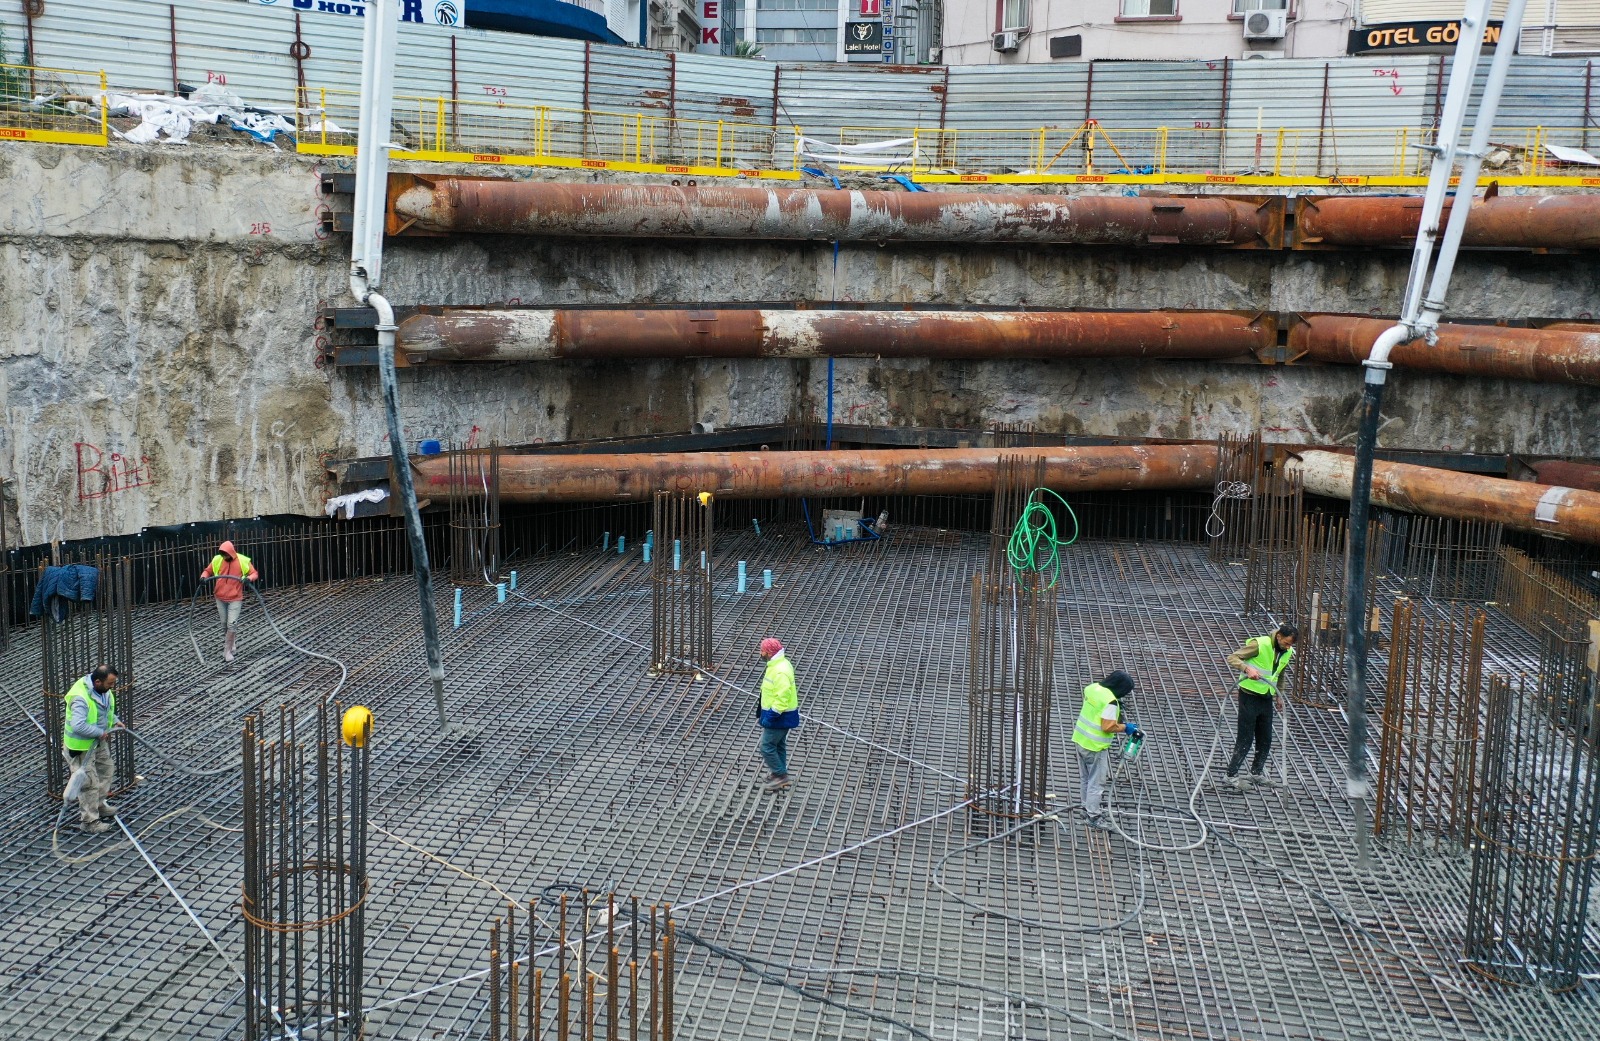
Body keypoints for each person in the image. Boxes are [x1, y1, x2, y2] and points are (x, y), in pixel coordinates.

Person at [1222, 624, 1298, 791]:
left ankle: (1256, 772)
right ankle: (1230, 776)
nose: (1288, 647)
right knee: (1245, 739)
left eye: (1291, 645)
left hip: (1266, 697)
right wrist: (1247, 668)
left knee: (1265, 738)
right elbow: (1233, 658)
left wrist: (1280, 695)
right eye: (1286, 643)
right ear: (1278, 637)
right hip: (1249, 696)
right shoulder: (1260, 644)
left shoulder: (1287, 652)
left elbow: (1280, 673)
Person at [1071, 670, 1138, 831]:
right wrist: (1125, 727)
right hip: (1095, 746)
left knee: (1086, 778)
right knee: (1096, 782)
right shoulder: (1111, 702)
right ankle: (1093, 816)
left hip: (1080, 739)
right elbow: (1107, 726)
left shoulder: (1093, 688)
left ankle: (1085, 809)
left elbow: (1094, 709)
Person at [62, 665, 121, 834]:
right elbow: (78, 725)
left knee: (106, 770)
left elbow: (105, 709)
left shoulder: (102, 689)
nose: (112, 686)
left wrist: (115, 720)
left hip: (97, 741)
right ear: (97, 681)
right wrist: (100, 732)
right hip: (80, 746)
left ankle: (99, 805)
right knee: (89, 783)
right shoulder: (80, 697)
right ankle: (89, 821)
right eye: (110, 683)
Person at [201, 540, 258, 663]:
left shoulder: (242, 561)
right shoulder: (217, 560)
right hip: (220, 597)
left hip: (235, 598)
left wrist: (249, 578)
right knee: (224, 624)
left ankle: (227, 651)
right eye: (222, 554)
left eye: (225, 554)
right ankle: (232, 643)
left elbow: (254, 573)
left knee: (231, 624)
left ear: (231, 553)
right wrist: (203, 577)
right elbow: (208, 571)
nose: (224, 557)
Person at [756, 638, 800, 792]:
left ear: (768, 652)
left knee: (766, 746)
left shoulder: (779, 670)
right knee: (778, 745)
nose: (760, 653)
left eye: (762, 650)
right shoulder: (779, 663)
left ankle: (781, 776)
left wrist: (772, 715)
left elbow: (782, 696)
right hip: (782, 714)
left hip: (779, 716)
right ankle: (779, 773)